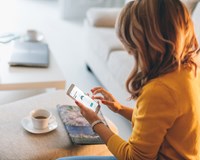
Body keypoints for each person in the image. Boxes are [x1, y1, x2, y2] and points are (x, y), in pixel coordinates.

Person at [58, 0, 200, 159]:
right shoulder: (190, 70)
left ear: (149, 45)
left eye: (132, 47)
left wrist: (95, 123)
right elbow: (158, 122)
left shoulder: (159, 90)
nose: (130, 53)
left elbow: (133, 157)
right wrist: (120, 109)